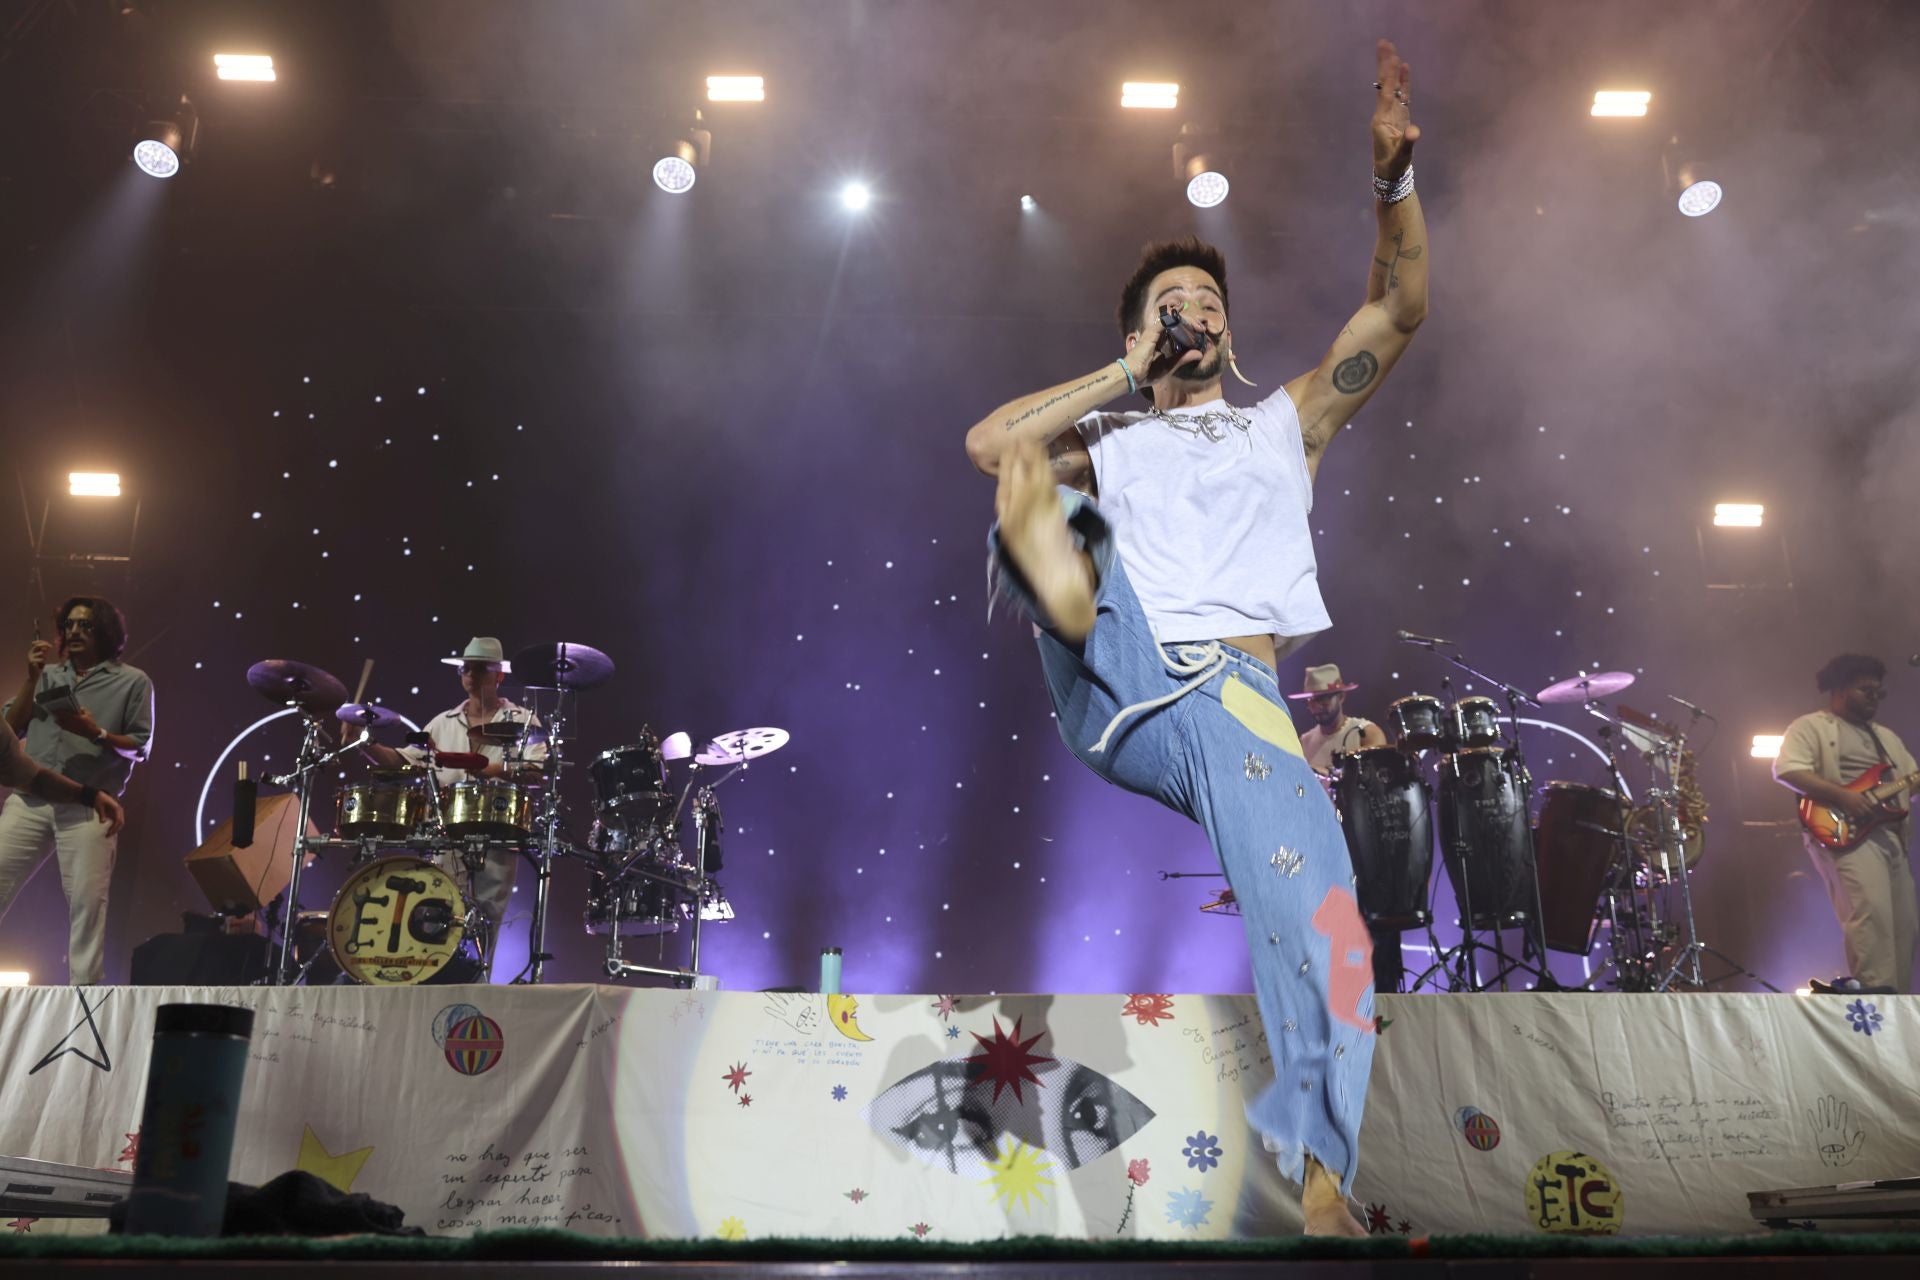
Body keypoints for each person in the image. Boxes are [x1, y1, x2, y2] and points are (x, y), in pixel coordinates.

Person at [962, 42, 1427, 1234]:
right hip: (1116, 659)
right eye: (1174, 308)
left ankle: (1327, 1183)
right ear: (1140, 332)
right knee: (1033, 484)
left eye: (1210, 305)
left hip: (1230, 697)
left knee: (1319, 913)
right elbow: (987, 441)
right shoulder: (1106, 437)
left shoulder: (1285, 426)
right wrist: (1124, 371)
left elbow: (1400, 307)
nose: (1199, 316)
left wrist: (1390, 182)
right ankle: (1062, 587)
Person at [347, 636, 545, 956]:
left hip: (498, 831)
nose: (471, 675)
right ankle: (438, 985)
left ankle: (477, 990)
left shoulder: (523, 720)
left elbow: (537, 769)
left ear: (499, 675)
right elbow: (402, 762)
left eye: (479, 669)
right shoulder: (443, 722)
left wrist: (487, 768)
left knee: (487, 919)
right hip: (448, 833)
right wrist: (365, 743)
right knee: (440, 912)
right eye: (466, 669)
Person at [0, 597, 151, 983]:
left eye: (85, 625)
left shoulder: (132, 681)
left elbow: (139, 747)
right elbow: (9, 731)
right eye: (69, 625)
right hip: (31, 799)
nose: (75, 632)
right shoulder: (47, 675)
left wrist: (95, 732)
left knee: (87, 904)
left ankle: (82, 998)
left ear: (106, 632)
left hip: (90, 805)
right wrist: (31, 679)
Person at [1774, 654, 1917, 993]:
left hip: (1889, 836)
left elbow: (1909, 783)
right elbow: (1787, 769)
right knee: (1871, 912)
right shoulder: (1811, 726)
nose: (1873, 697)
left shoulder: (1887, 738)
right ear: (1838, 689)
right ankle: (1874, 1002)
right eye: (1864, 689)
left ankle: (1896, 1003)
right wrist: (1842, 796)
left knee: (1905, 926)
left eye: (1878, 692)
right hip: (1845, 832)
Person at [1290, 664, 1388, 775]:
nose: (1316, 706)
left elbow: (1376, 780)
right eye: (1310, 700)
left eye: (1322, 699)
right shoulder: (1304, 743)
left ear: (1341, 697)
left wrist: (1328, 773)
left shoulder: (1368, 734)